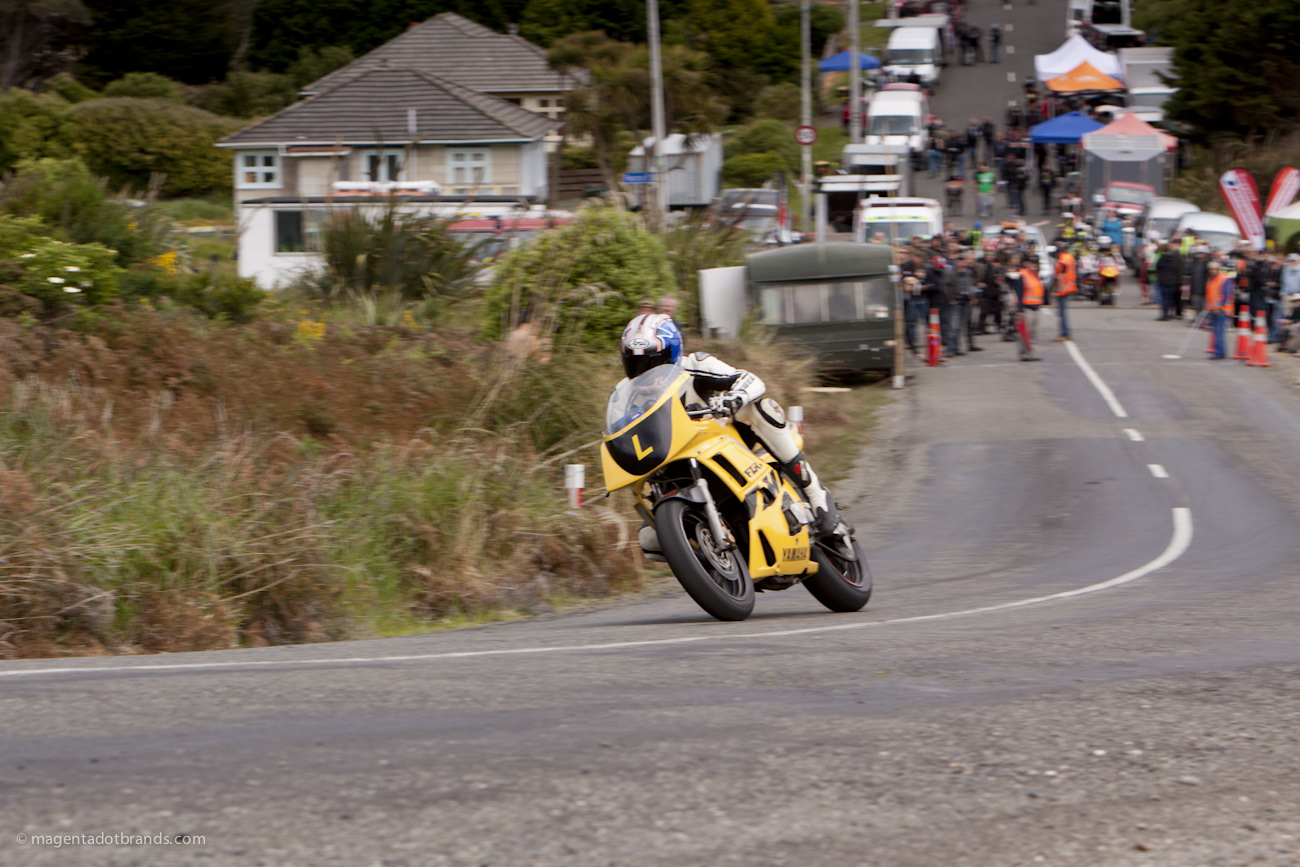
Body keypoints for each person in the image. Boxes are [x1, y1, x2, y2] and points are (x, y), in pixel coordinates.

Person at [618, 314, 850, 541]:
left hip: (721, 444)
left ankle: (814, 492)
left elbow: (750, 380)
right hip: (673, 467)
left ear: (674, 353)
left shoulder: (695, 364)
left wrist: (735, 397)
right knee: (649, 540)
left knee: (760, 407)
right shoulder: (623, 396)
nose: (646, 372)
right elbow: (617, 434)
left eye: (654, 362)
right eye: (637, 364)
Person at [1205, 261, 1229, 359]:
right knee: (1216, 331)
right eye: (1211, 269)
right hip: (1213, 308)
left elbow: (1226, 293)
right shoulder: (1211, 279)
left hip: (1220, 309)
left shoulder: (1223, 279)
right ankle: (1219, 351)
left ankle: (1219, 352)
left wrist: (1220, 306)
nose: (1212, 271)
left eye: (1214, 269)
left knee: (1219, 331)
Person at [1154, 241, 1183, 320]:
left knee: (1164, 298)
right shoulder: (1175, 259)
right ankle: (1171, 313)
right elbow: (1179, 269)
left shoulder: (1162, 259)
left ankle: (1165, 314)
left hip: (1163, 281)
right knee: (1171, 298)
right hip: (1173, 281)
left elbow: (1157, 268)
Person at [1053, 245, 1076, 340]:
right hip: (1070, 286)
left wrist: (1056, 290)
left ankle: (1064, 333)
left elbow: (1061, 275)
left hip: (1063, 289)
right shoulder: (1070, 257)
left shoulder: (1062, 260)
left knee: (1062, 312)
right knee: (1063, 311)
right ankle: (1065, 332)